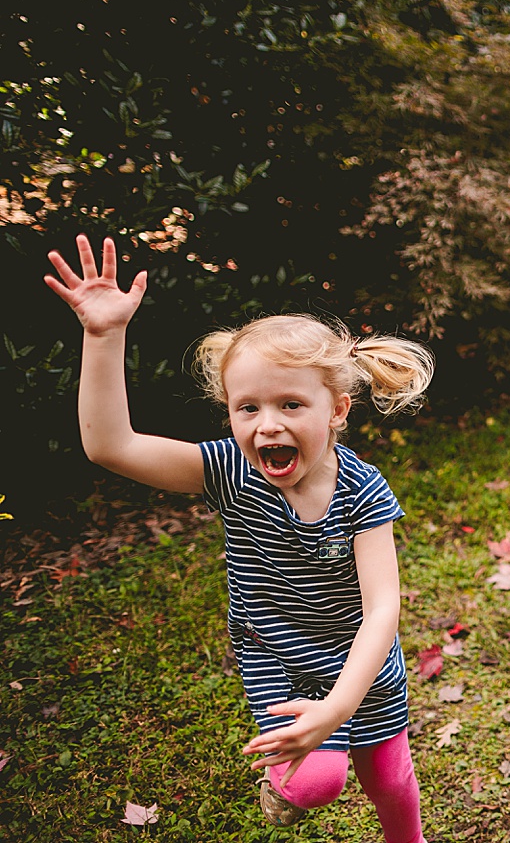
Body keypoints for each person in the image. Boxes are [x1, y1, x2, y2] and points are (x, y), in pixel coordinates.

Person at [45, 235, 434, 840]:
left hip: (361, 663)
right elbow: (110, 446)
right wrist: (103, 337)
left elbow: (383, 610)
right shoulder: (229, 469)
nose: (267, 423)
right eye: (246, 407)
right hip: (278, 657)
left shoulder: (362, 491)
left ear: (336, 410)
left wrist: (336, 709)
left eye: (289, 404)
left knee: (389, 780)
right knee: (316, 781)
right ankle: (288, 783)